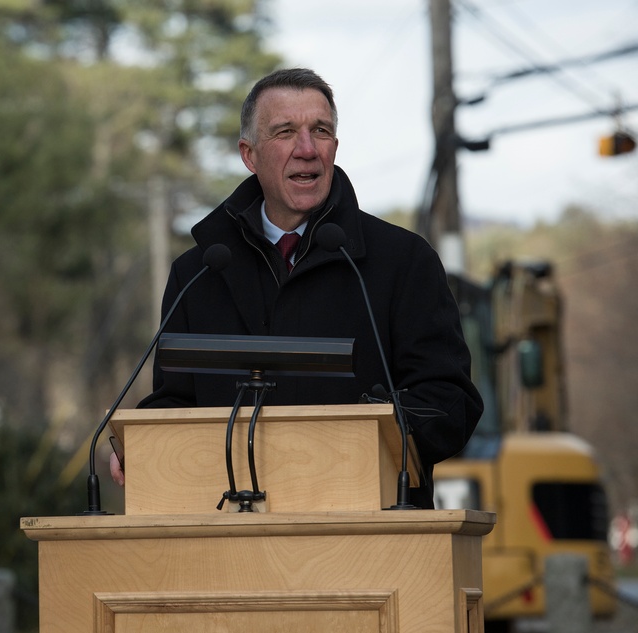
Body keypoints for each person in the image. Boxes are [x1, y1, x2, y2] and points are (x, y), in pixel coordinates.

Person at [110, 68, 482, 509]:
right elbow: (179, 400)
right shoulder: (200, 270)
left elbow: (449, 404)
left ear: (335, 148)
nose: (306, 149)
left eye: (320, 131)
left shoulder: (404, 261)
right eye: (286, 132)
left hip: (368, 534)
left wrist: (368, 425)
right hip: (229, 538)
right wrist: (141, 444)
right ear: (249, 154)